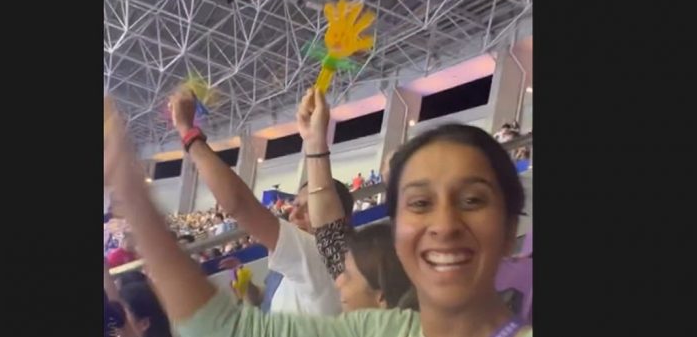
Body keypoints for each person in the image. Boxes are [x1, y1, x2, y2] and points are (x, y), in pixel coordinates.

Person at [104, 94, 532, 337]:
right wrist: (128, 191)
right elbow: (224, 327)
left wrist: (181, 142)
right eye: (419, 203)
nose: (444, 224)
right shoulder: (377, 331)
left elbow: (305, 221)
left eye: (473, 200)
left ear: (511, 223)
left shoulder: (319, 259)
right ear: (399, 228)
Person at [166, 90, 354, 315]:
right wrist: (247, 286)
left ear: (337, 219)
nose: (295, 214)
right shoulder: (298, 265)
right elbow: (268, 298)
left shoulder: (322, 260)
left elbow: (239, 204)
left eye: (309, 206)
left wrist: (188, 132)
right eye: (295, 205)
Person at [297, 89, 414, 312]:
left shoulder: (387, 253)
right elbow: (329, 235)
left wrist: (315, 144)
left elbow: (329, 234)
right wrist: (314, 143)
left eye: (348, 276)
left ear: (382, 298)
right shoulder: (382, 247)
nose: (338, 281)